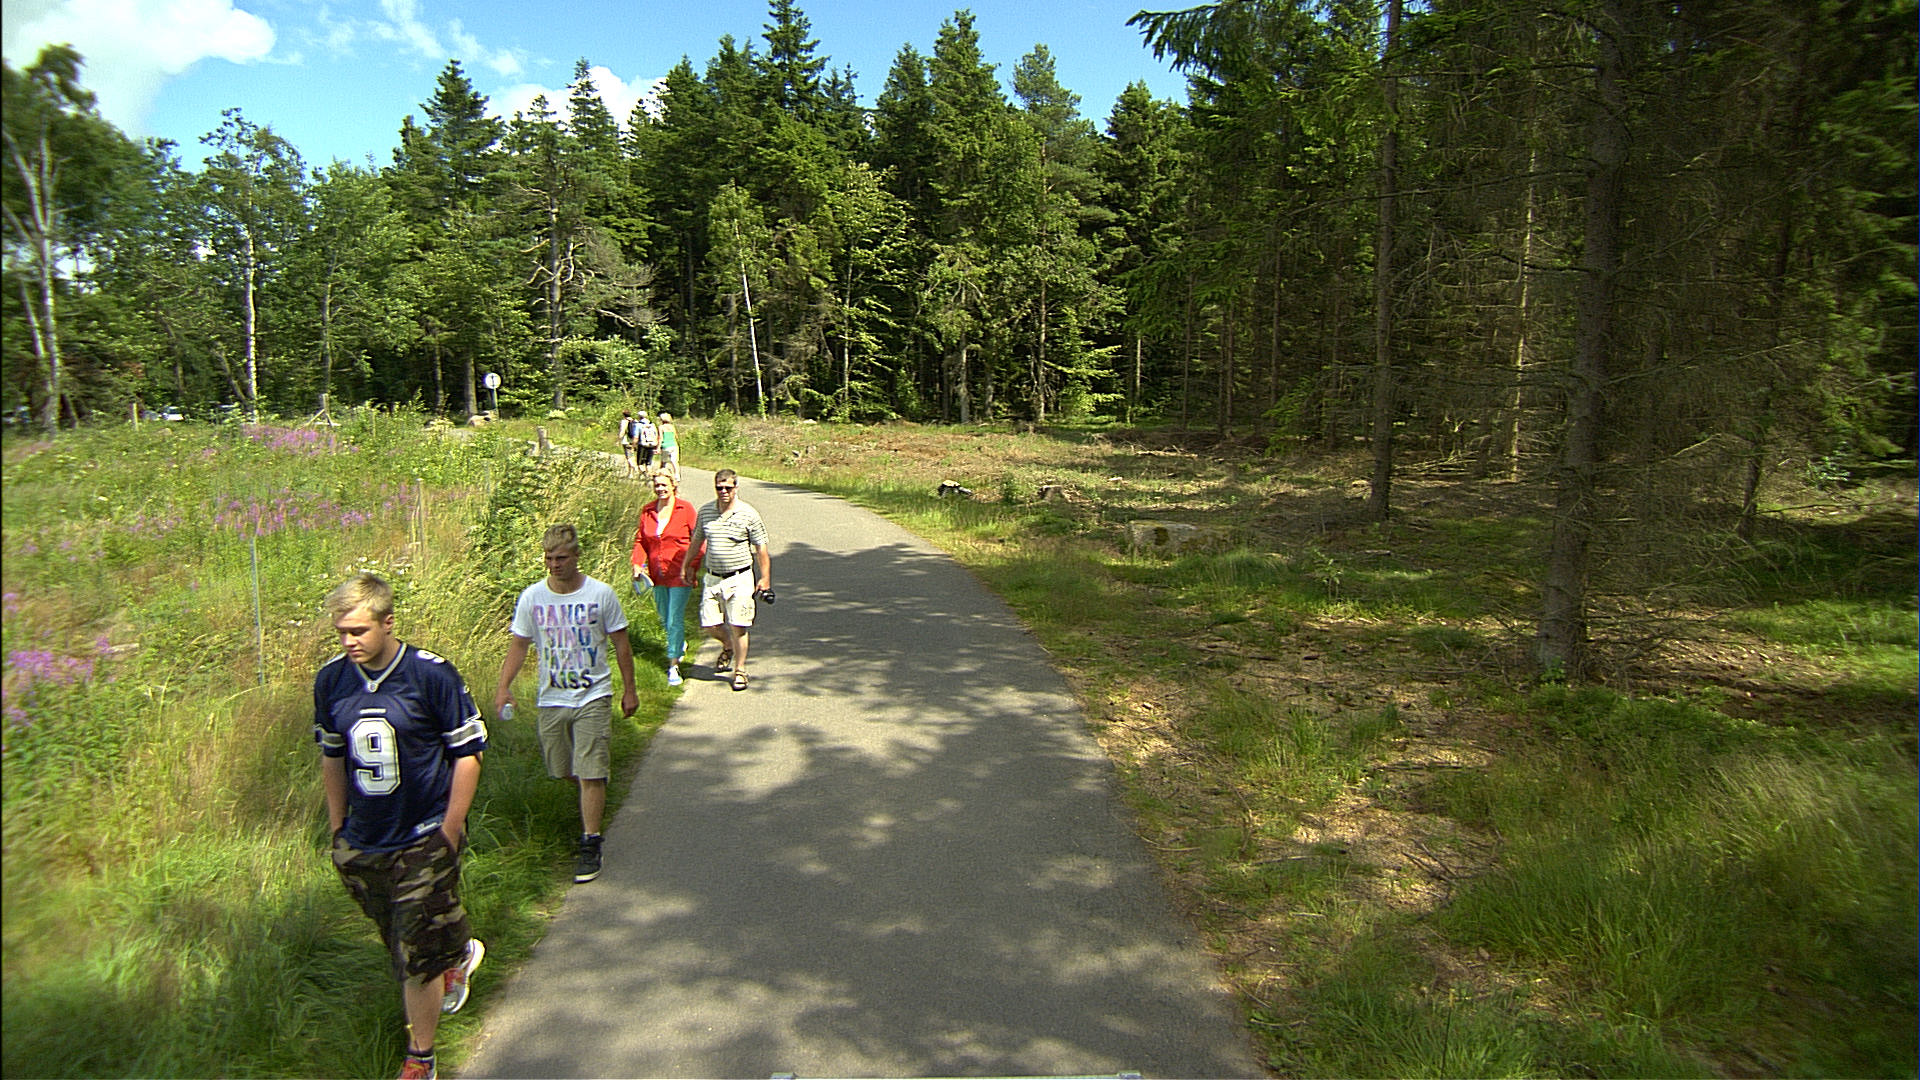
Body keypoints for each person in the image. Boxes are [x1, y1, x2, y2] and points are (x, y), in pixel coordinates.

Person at [314, 572, 488, 1080]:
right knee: (397, 938)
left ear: (387, 623)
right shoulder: (331, 680)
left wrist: (450, 829)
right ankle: (458, 949)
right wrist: (338, 829)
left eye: (358, 631)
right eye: (341, 633)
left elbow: (468, 754)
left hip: (424, 833)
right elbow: (331, 757)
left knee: (413, 953)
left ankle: (420, 1058)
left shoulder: (430, 675)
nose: (349, 642)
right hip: (364, 840)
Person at [494, 524, 639, 884]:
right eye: (548, 558)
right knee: (561, 769)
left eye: (560, 558)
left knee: (589, 769)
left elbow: (621, 644)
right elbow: (519, 645)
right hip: (552, 697)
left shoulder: (600, 594)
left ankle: (591, 841)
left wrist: (630, 690)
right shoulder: (532, 598)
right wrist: (503, 687)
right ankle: (594, 788)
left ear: (576, 556)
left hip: (593, 694)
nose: (554, 565)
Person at [684, 468, 771, 691]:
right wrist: (687, 565)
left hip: (739, 577)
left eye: (728, 488)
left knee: (738, 625)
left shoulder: (748, 514)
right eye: (719, 487)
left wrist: (765, 579)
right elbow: (696, 541)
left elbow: (761, 549)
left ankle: (740, 671)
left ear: (736, 488)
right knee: (709, 623)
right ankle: (728, 645)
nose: (723, 491)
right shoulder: (706, 512)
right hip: (713, 577)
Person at [630, 470, 698, 686]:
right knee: (664, 617)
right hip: (657, 574)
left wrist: (693, 566)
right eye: (657, 485)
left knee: (674, 618)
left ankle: (673, 665)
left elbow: (698, 540)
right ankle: (678, 644)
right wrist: (637, 563)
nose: (660, 489)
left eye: (664, 485)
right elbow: (641, 541)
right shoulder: (648, 510)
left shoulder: (685, 509)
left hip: (681, 573)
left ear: (673, 485)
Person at [656, 412, 679, 481]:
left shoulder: (661, 427)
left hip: (665, 446)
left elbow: (660, 438)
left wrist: (658, 448)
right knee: (674, 461)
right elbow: (676, 436)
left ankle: (661, 475)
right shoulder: (672, 427)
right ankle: (677, 475)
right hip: (674, 445)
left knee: (664, 462)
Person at [617, 411, 638, 478]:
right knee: (632, 456)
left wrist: (618, 440)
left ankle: (635, 468)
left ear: (623, 415)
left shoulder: (624, 421)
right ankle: (631, 474)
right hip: (634, 441)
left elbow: (622, 431)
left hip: (626, 441)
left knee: (629, 457)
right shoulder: (635, 421)